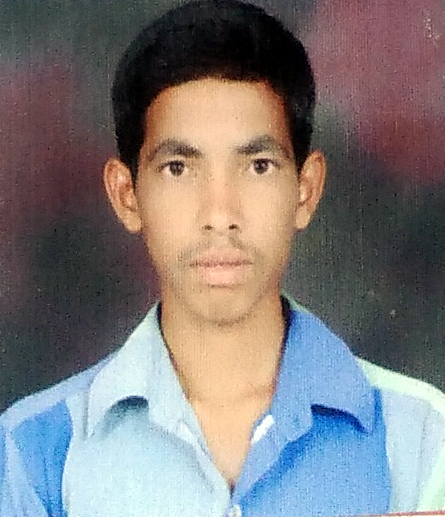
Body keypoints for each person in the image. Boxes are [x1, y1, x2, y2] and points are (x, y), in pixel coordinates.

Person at [1, 1, 445, 516]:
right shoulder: (34, 453)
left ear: (306, 190)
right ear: (126, 195)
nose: (220, 214)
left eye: (258, 166)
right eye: (178, 168)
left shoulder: (423, 437)